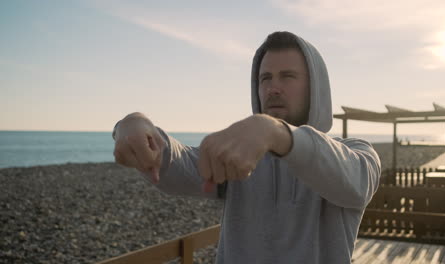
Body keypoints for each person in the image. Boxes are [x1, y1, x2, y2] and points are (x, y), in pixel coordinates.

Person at [112, 31, 381, 263]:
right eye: (265, 78)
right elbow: (175, 162)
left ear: (315, 89)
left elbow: (355, 185)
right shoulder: (239, 156)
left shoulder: (357, 153)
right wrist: (134, 127)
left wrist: (275, 133)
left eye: (287, 76)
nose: (273, 88)